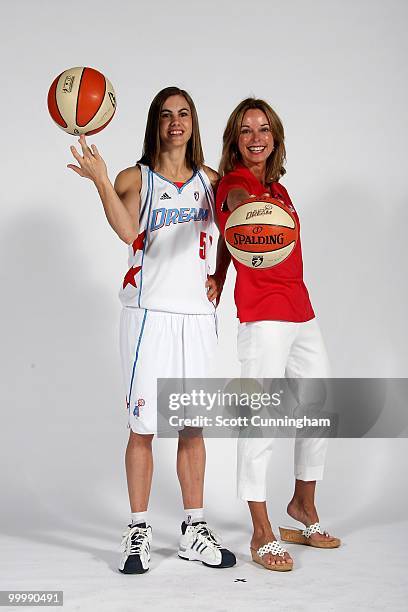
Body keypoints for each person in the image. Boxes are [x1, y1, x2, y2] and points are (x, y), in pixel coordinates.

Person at [68, 86, 235, 574]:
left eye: (183, 114)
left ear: (193, 122)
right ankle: (138, 529)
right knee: (143, 427)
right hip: (148, 316)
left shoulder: (211, 180)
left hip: (197, 320)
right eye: (167, 115)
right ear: (155, 123)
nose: (176, 122)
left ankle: (193, 528)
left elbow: (236, 231)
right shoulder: (134, 177)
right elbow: (125, 230)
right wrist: (100, 180)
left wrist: (219, 276)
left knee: (191, 425)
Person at [215, 97, 340, 572]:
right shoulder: (236, 184)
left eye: (263, 129)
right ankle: (260, 530)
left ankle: (303, 505)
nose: (256, 138)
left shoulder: (281, 189)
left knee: (319, 405)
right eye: (245, 131)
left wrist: (220, 271)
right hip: (263, 316)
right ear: (235, 140)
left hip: (300, 309)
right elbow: (236, 213)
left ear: (275, 137)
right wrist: (244, 208)